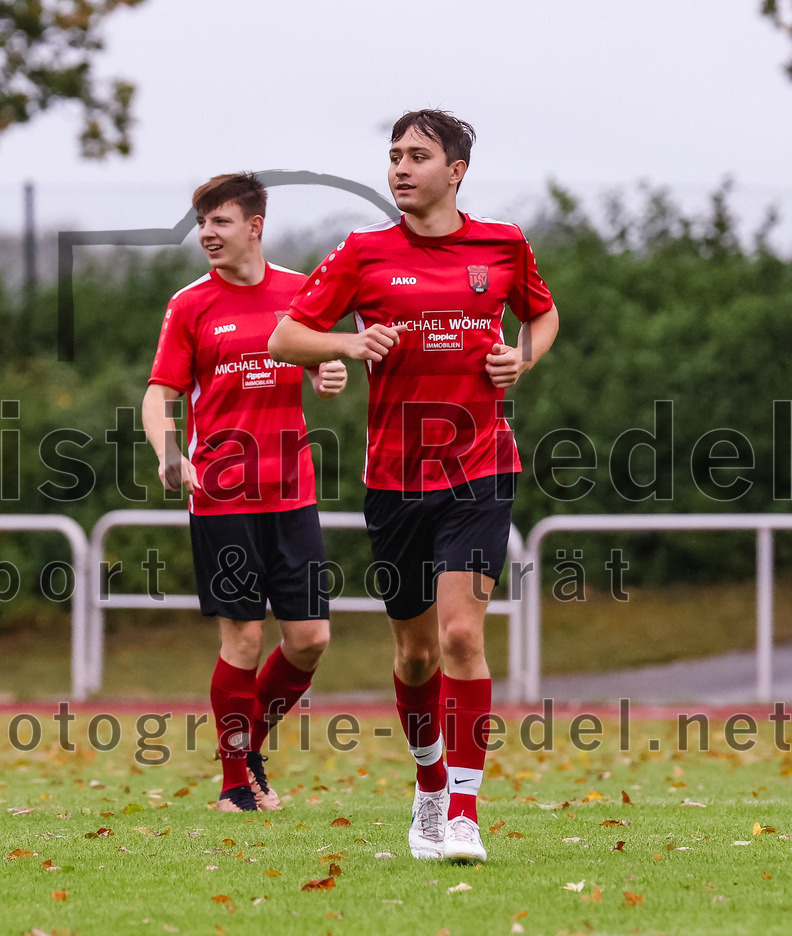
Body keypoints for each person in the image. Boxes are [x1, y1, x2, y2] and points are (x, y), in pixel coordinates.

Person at [269, 110, 559, 860]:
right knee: (417, 655)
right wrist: (346, 340)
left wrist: (520, 359)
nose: (399, 168)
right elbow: (285, 337)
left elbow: (543, 314)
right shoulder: (363, 253)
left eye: (417, 156)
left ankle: (463, 812)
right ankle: (428, 786)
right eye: (394, 155)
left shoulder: (503, 244)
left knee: (464, 635)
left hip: (482, 467)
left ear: (455, 170)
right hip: (394, 481)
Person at [142, 172, 348, 813]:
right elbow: (160, 393)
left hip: (293, 495)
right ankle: (236, 785)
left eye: (220, 221)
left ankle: (246, 744)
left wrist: (330, 369)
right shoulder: (189, 304)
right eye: (202, 222)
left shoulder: (298, 292)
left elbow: (322, 359)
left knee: (311, 639)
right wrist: (169, 452)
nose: (206, 233)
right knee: (243, 641)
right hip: (223, 496)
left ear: (255, 227)